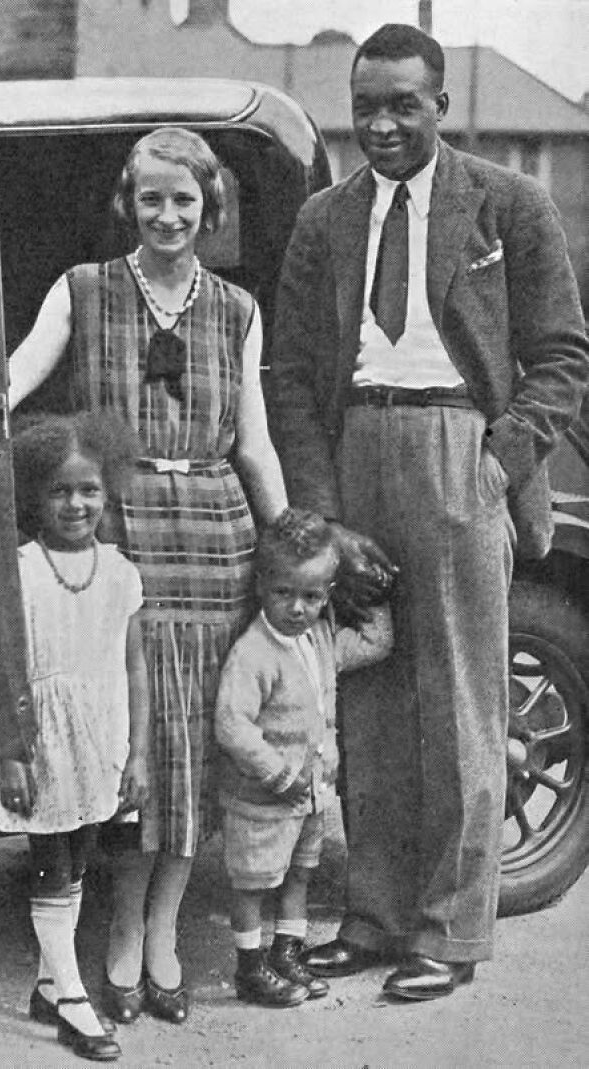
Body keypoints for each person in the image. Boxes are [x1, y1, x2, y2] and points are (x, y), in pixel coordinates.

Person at [269, 23, 589, 1002]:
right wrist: (322, 509)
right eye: (367, 104)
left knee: (459, 706)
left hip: (461, 454)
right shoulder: (325, 219)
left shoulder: (508, 203)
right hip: (355, 448)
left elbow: (562, 357)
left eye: (404, 103)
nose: (382, 123)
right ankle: (371, 915)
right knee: (365, 700)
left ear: (439, 106)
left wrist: (495, 469)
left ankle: (448, 932)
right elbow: (288, 374)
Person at [5, 127, 290, 1024]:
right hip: (122, 542)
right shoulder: (84, 291)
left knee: (198, 747)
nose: (170, 216)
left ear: (211, 211)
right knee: (137, 746)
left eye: (187, 202)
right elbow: (7, 385)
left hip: (216, 539)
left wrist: (286, 539)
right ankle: (121, 930)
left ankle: (164, 930)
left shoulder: (239, 309)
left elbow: (253, 441)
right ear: (128, 205)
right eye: (153, 199)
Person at [0, 411, 149, 1062]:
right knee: (52, 860)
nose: (76, 503)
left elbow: (134, 668)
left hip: (99, 739)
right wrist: (8, 749)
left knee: (79, 856)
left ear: (110, 491)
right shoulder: (19, 571)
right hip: (39, 740)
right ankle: (73, 997)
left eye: (90, 490)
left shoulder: (121, 572)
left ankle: (49, 981)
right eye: (60, 491)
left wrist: (140, 754)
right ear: (35, 497)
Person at [215, 508, 393, 1008]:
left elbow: (379, 642)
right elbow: (232, 725)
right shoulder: (254, 653)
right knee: (253, 883)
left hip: (310, 795)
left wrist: (379, 594)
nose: (297, 607)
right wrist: (276, 772)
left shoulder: (316, 639)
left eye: (312, 596)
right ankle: (250, 969)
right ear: (261, 588)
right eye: (284, 593)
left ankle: (285, 955)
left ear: (327, 594)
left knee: (299, 874)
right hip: (263, 799)